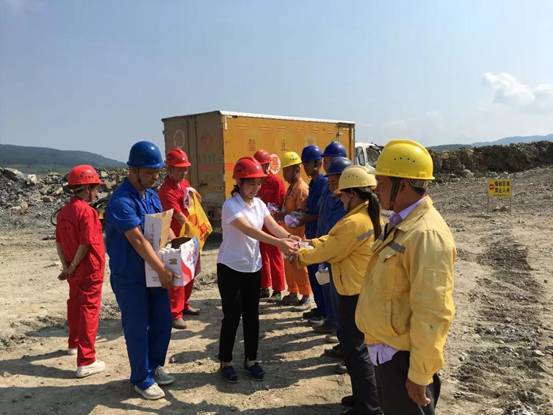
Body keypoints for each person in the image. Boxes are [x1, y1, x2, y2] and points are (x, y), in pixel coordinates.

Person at [355, 139, 456, 414]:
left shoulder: (426, 234)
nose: (376, 188)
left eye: (382, 182)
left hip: (404, 360)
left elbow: (433, 310)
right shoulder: (402, 222)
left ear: (404, 185)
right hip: (389, 354)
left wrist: (420, 374)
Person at [294, 165, 382, 415]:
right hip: (359, 290)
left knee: (356, 350)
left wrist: (298, 254)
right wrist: (308, 242)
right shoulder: (364, 215)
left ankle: (369, 407)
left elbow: (331, 249)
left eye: (342, 194)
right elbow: (333, 240)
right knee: (354, 347)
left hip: (354, 294)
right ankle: (362, 396)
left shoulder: (354, 222)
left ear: (353, 194)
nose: (339, 198)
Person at [104, 141, 179, 400]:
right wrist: (162, 270)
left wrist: (174, 239)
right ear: (133, 170)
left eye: (157, 172)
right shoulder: (121, 201)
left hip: (152, 273)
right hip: (131, 277)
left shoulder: (152, 195)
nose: (155, 177)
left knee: (162, 321)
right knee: (137, 328)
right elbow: (137, 240)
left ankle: (155, 365)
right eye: (149, 172)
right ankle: (141, 378)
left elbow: (161, 225)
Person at [217, 156, 299, 383]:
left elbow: (272, 226)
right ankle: (225, 362)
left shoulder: (259, 204)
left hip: (253, 267)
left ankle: (251, 360)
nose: (256, 187)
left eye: (259, 182)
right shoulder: (230, 206)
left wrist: (289, 237)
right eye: (251, 183)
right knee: (232, 317)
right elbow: (250, 231)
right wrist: (279, 243)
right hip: (230, 267)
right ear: (239, 182)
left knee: (252, 317)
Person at [55, 165, 106, 378]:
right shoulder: (87, 212)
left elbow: (59, 243)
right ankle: (86, 361)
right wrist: (73, 266)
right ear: (85, 188)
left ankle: (74, 344)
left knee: (75, 305)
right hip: (88, 270)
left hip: (74, 272)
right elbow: (86, 244)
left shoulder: (64, 212)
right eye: (95, 188)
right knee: (88, 311)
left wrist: (67, 267)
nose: (97, 192)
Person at [158, 147, 200, 330]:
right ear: (170, 169)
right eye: (180, 169)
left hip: (188, 236)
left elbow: (192, 202)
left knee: (190, 272)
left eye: (185, 169)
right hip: (176, 239)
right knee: (177, 276)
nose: (184, 172)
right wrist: (195, 230)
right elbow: (178, 215)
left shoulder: (184, 184)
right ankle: (175, 314)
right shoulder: (166, 190)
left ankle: (185, 304)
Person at [277, 151, 312, 307]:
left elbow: (301, 214)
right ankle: (293, 292)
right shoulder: (291, 188)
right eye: (284, 170)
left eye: (287, 170)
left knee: (299, 265)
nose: (284, 174)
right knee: (289, 265)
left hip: (298, 235)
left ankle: (306, 295)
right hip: (288, 235)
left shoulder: (302, 189)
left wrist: (283, 215)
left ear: (297, 169)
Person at [298, 145, 327, 323]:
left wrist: (303, 219)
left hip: (318, 234)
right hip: (311, 233)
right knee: (313, 275)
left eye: (306, 163)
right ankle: (320, 308)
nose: (304, 167)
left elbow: (319, 212)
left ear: (317, 163)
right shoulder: (313, 183)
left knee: (321, 276)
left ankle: (325, 312)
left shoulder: (323, 183)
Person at [253, 149, 287, 301]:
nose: (262, 168)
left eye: (263, 165)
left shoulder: (276, 182)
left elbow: (281, 204)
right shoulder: (255, 182)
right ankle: (264, 286)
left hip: (272, 224)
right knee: (261, 256)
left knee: (275, 256)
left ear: (268, 165)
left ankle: (278, 290)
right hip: (259, 225)